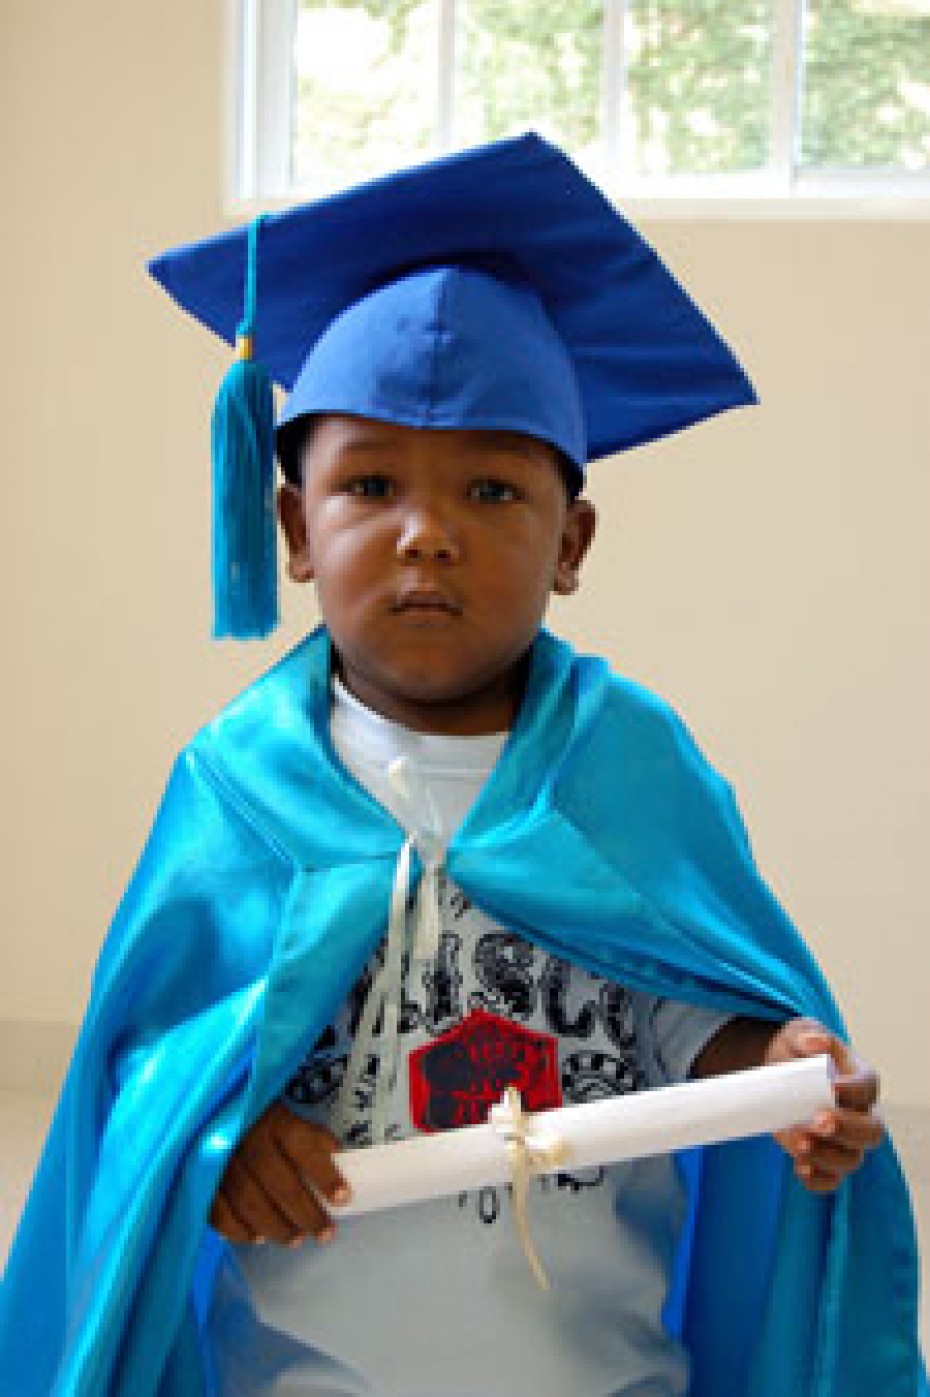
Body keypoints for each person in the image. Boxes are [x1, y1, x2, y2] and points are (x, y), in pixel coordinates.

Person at [0, 133, 922, 1397]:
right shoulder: (237, 787)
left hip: (596, 1370)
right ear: (294, 529)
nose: (428, 534)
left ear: (572, 539)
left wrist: (778, 1070)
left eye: (492, 491)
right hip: (301, 1370)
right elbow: (153, 1072)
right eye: (371, 483)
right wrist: (227, 1137)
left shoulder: (628, 765)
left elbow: (687, 999)